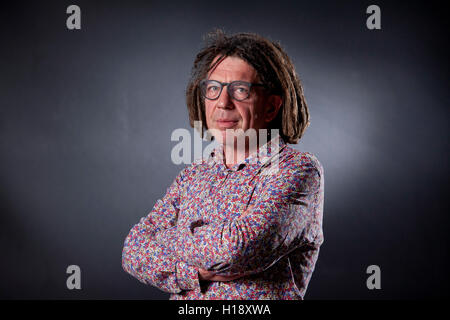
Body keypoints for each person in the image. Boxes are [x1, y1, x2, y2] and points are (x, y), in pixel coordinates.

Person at [121, 30, 324, 300]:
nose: (223, 103)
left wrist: (165, 241)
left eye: (241, 90)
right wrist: (197, 272)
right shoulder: (192, 175)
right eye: (213, 88)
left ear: (272, 106)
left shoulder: (297, 170)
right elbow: (133, 250)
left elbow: (234, 249)